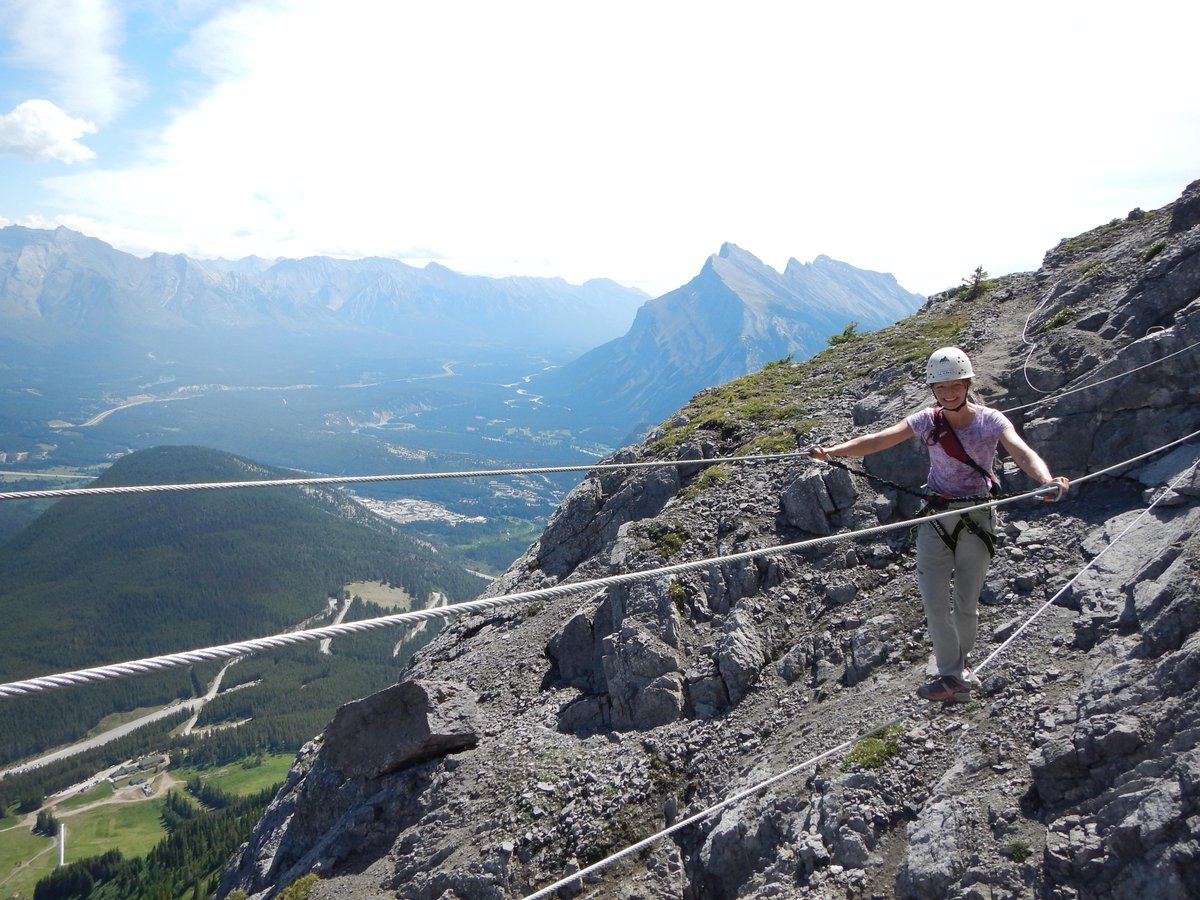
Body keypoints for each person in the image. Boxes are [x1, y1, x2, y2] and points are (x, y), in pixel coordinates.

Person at [808, 347, 1070, 702]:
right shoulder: (927, 420)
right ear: (933, 390)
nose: (948, 394)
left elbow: (1020, 450)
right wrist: (833, 452)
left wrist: (1046, 479)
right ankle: (951, 675)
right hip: (936, 514)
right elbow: (879, 440)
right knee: (934, 601)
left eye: (955, 386)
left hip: (976, 515)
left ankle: (958, 670)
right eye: (941, 388)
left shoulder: (991, 420)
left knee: (965, 602)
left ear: (966, 384)